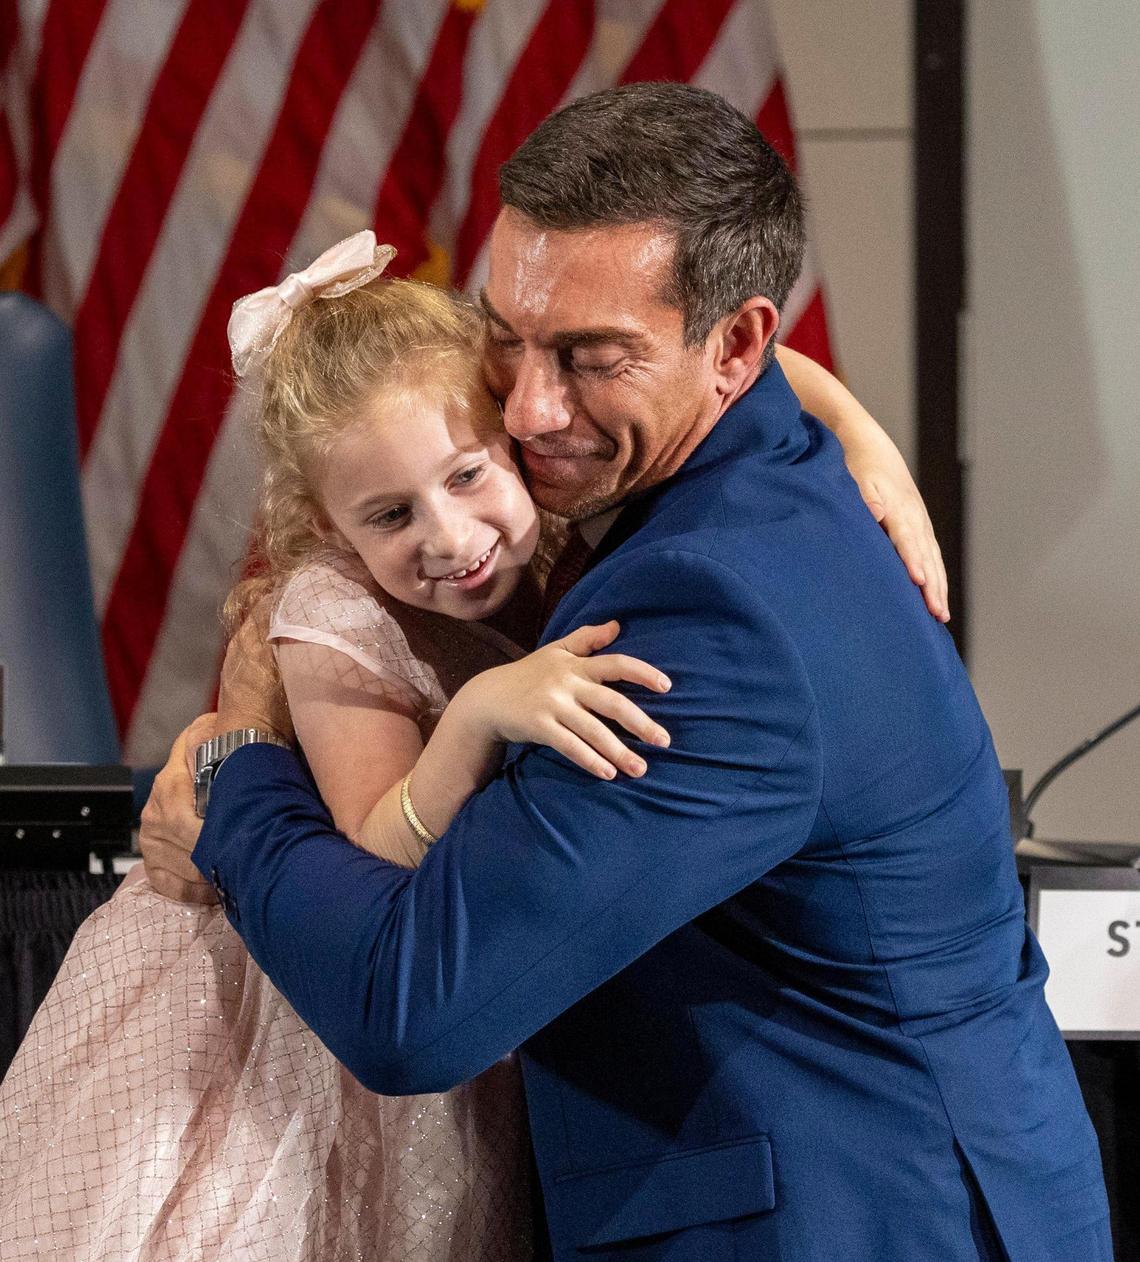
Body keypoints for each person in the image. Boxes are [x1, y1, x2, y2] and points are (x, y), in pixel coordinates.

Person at [142, 83, 1111, 1261]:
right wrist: (844, 406)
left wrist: (236, 771)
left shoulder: (710, 618)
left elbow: (410, 1006)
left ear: (738, 342)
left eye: (591, 359)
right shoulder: (758, 458)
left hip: (849, 1216)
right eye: (508, 335)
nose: (533, 408)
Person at [0, 221, 921, 1260]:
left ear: (519, 429)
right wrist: (479, 715)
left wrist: (862, 432)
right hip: (295, 1019)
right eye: (389, 514)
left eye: (468, 476)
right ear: (330, 526)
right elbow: (376, 854)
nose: (446, 536)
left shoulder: (577, 507)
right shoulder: (331, 614)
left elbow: (720, 357)